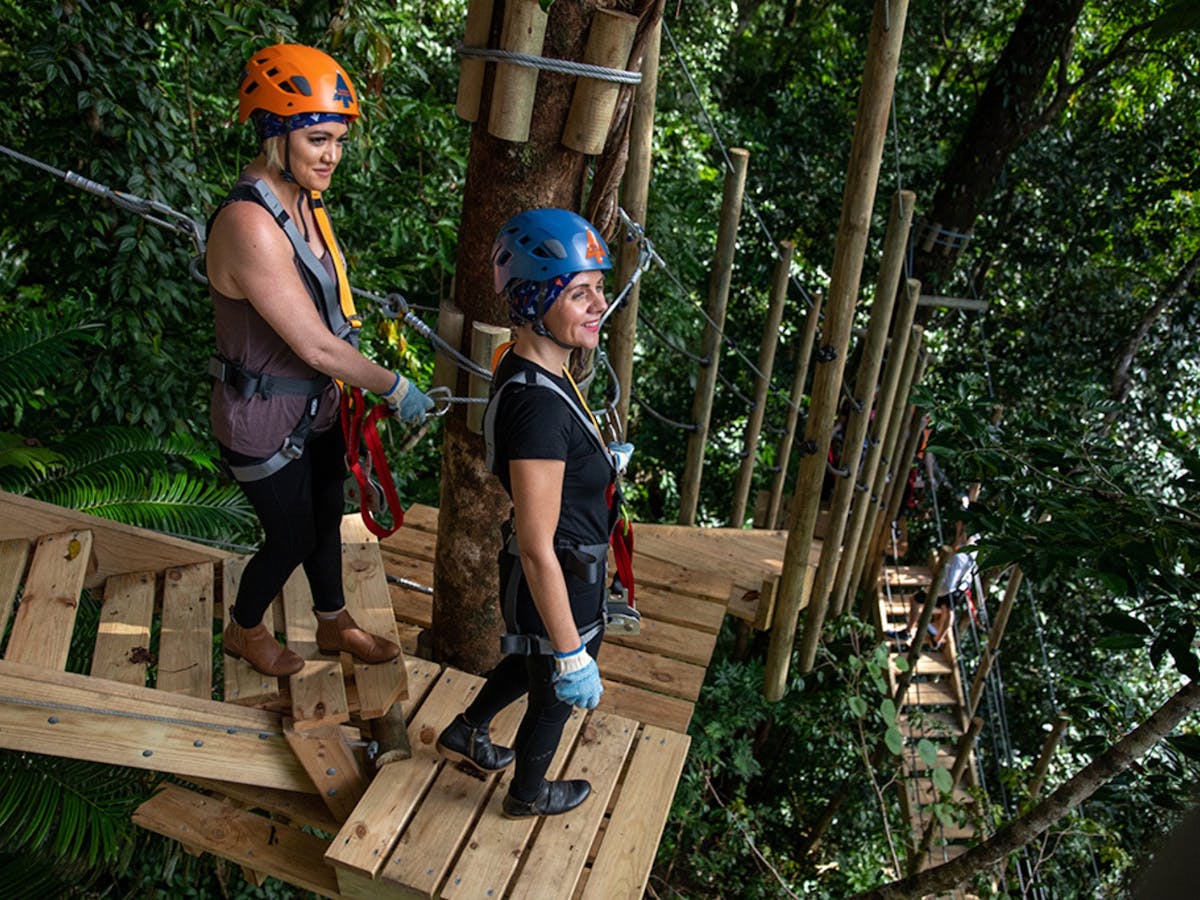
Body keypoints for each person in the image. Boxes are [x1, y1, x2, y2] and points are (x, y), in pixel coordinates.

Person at [207, 43, 432, 677]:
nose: (332, 155)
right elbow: (312, 344)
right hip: (260, 419)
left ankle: (333, 622)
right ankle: (244, 629)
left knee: (327, 514)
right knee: (292, 536)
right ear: (276, 134)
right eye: (317, 140)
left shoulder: (304, 201)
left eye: (338, 140)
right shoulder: (250, 223)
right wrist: (394, 386)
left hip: (317, 406)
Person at [436, 208, 629, 819]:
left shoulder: (533, 368)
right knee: (554, 696)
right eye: (578, 292)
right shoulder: (540, 410)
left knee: (529, 660)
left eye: (599, 286)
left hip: (556, 575)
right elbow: (536, 543)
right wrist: (573, 650)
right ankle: (528, 795)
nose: (599, 303)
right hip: (560, 580)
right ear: (535, 301)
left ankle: (468, 729)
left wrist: (595, 463)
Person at [897, 523, 979, 652]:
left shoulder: (961, 555)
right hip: (961, 586)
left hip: (947, 585)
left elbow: (950, 577)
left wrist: (940, 587)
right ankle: (937, 640)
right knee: (948, 609)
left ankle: (907, 631)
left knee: (915, 600)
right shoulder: (975, 547)